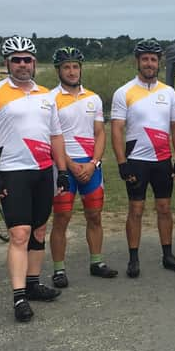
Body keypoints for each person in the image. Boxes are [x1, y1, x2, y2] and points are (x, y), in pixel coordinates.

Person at [0, 36, 69, 322]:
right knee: (19, 234)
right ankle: (19, 298)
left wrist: (61, 170)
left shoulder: (46, 95)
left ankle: (33, 283)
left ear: (34, 62)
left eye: (27, 59)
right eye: (16, 59)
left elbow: (56, 136)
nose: (23, 64)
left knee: (39, 231)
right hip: (12, 172)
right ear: (7, 63)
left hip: (42, 172)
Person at [111, 38, 175, 278]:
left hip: (162, 160)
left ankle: (168, 256)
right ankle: (133, 259)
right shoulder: (124, 92)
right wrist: (122, 162)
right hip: (137, 160)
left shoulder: (169, 92)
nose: (149, 63)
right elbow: (117, 129)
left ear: (158, 63)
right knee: (136, 209)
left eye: (153, 59)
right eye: (145, 59)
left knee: (164, 208)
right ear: (138, 62)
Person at [48, 47, 117, 288]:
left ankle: (96, 262)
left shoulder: (94, 98)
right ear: (58, 70)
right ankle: (59, 269)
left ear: (80, 69)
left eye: (75, 66)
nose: (71, 71)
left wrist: (94, 163)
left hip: (90, 166)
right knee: (62, 217)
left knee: (94, 215)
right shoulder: (49, 99)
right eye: (66, 67)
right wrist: (69, 164)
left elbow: (100, 134)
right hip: (64, 167)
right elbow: (50, 137)